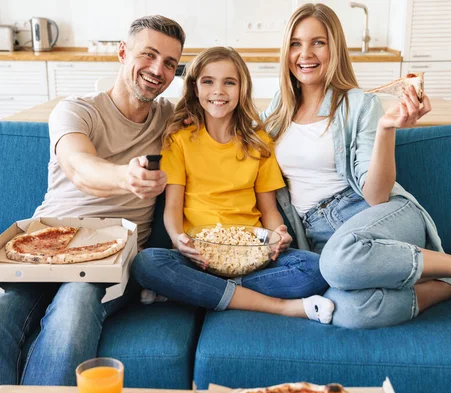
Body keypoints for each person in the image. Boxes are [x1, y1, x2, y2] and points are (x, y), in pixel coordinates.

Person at [0, 15, 185, 393]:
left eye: (170, 63)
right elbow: (79, 167)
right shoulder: (75, 110)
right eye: (149, 55)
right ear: (123, 53)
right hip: (44, 245)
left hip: (114, 257)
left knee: (73, 308)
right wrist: (125, 177)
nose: (158, 70)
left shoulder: (171, 120)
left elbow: (226, 113)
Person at [260, 3, 451, 329]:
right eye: (296, 43)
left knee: (337, 262)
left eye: (318, 42)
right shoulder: (279, 107)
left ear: (335, 48)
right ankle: (447, 286)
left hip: (379, 216)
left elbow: (376, 196)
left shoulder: (359, 104)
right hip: (324, 237)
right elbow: (243, 144)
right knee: (345, 310)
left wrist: (387, 129)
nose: (305, 53)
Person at [131, 47, 335, 323]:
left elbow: (269, 209)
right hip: (197, 257)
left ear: (242, 88)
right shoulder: (180, 139)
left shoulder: (258, 141)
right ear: (195, 88)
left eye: (229, 82)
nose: (219, 91)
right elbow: (173, 208)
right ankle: (278, 305)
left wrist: (279, 234)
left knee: (316, 268)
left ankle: (195, 291)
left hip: (251, 258)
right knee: (147, 263)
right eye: (208, 81)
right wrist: (180, 241)